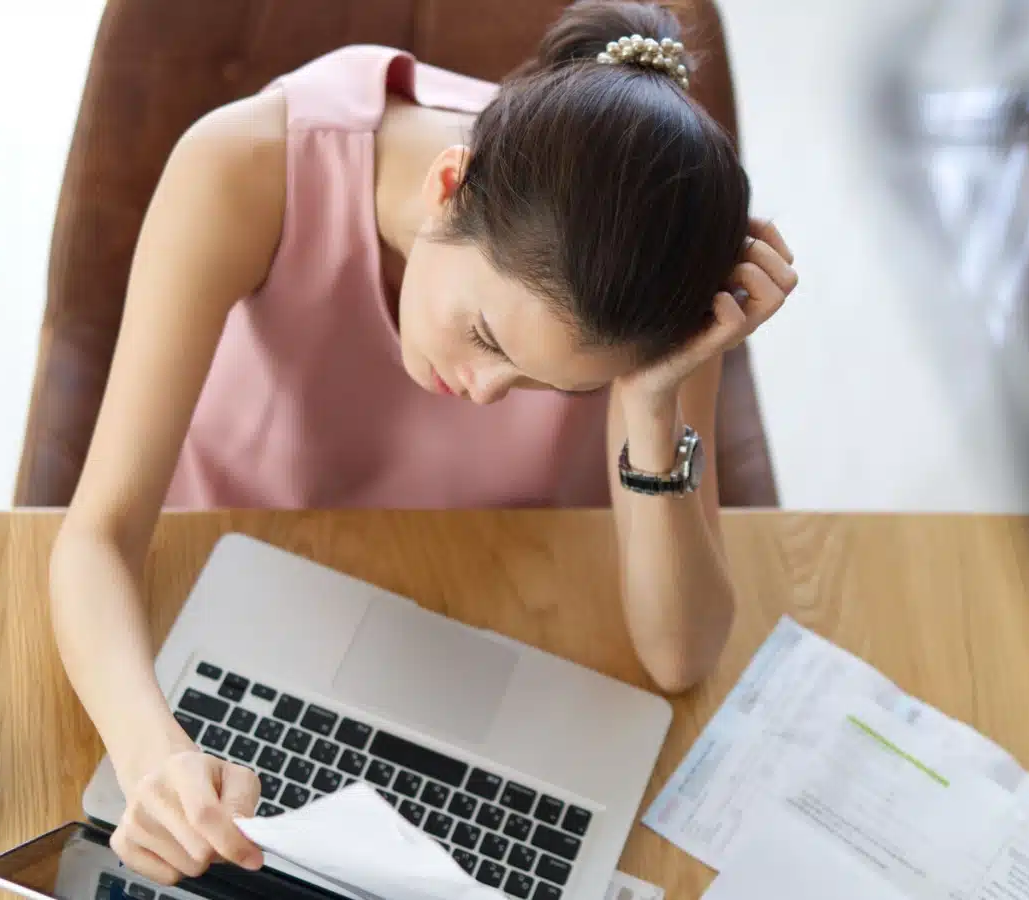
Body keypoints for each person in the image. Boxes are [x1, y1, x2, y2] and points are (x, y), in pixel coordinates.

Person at [48, 0, 797, 885]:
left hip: (498, 612)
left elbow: (678, 655)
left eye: (552, 385)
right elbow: (94, 540)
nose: (484, 395)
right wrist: (151, 758)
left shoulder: (633, 277)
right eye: (486, 337)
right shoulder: (242, 166)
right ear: (451, 184)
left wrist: (651, 391)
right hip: (249, 580)